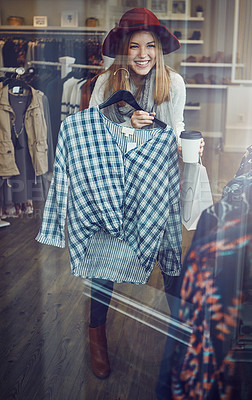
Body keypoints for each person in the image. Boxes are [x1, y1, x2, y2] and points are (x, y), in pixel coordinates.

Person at [87, 7, 204, 380]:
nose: (142, 54)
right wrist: (126, 129)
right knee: (105, 266)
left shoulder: (175, 84)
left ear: (158, 48)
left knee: (172, 268)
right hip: (117, 190)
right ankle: (97, 336)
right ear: (123, 49)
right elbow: (90, 137)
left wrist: (189, 147)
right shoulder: (105, 85)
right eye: (134, 46)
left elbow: (177, 129)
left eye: (150, 46)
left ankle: (187, 343)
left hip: (160, 188)